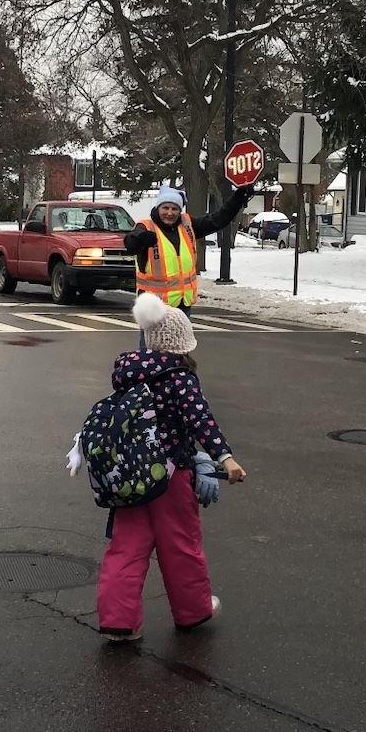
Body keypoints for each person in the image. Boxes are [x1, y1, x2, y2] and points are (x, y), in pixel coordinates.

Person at [96, 293, 247, 643]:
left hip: (131, 474)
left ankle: (119, 621)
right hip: (172, 475)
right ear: (181, 344)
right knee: (180, 544)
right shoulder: (180, 378)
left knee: (126, 546)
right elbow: (201, 421)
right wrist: (224, 457)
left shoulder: (127, 374)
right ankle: (193, 610)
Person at [124, 184, 253, 325]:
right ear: (158, 208)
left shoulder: (187, 225)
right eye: (165, 208)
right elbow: (130, 244)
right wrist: (140, 239)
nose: (169, 213)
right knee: (153, 346)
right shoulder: (146, 227)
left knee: (180, 346)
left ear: (179, 211)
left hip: (182, 303)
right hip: (154, 307)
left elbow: (218, 219)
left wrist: (239, 197)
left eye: (174, 209)